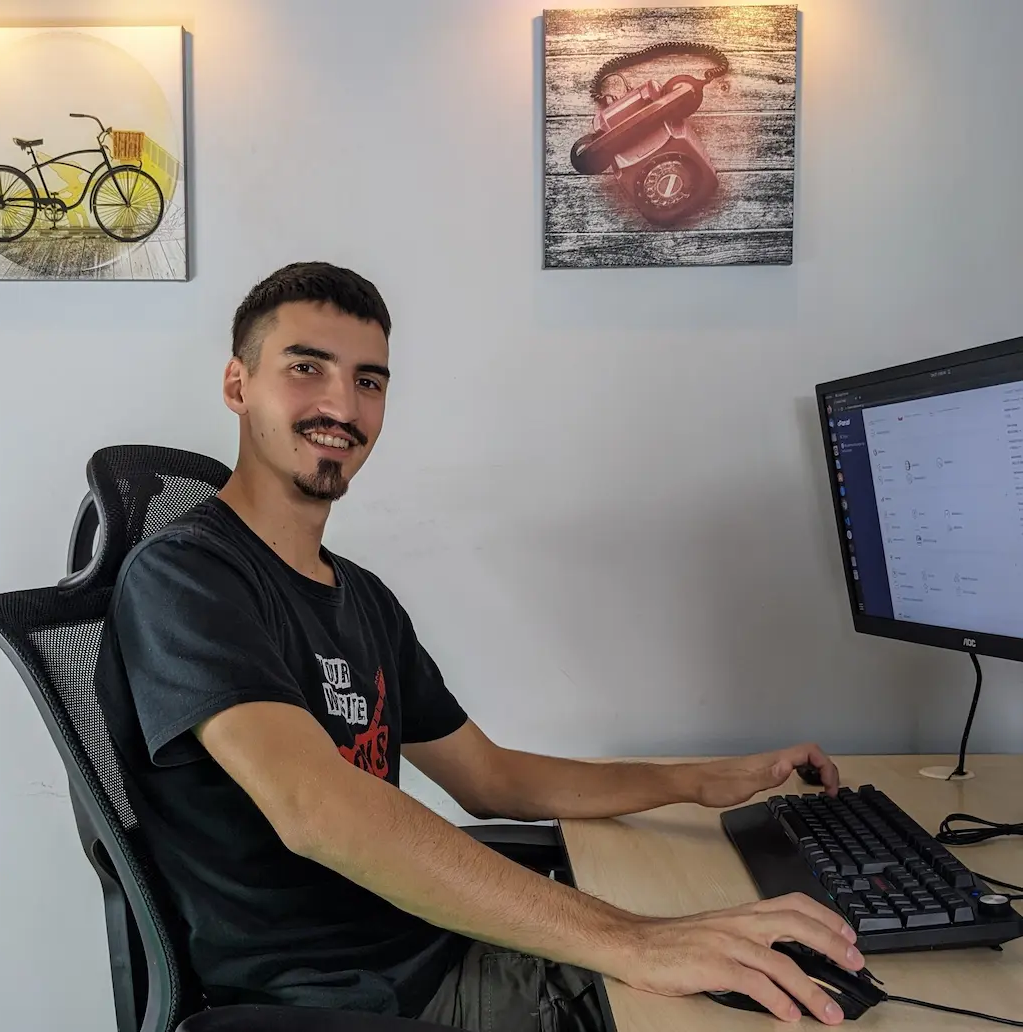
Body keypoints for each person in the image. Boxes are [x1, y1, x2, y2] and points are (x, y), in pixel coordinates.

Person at [95, 261, 864, 1031]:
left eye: (369, 381)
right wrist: (632, 941)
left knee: (780, 957)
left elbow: (490, 778)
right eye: (306, 369)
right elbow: (316, 809)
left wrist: (695, 781)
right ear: (238, 385)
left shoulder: (359, 597)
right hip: (362, 999)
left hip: (444, 942)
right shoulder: (186, 576)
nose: (340, 404)